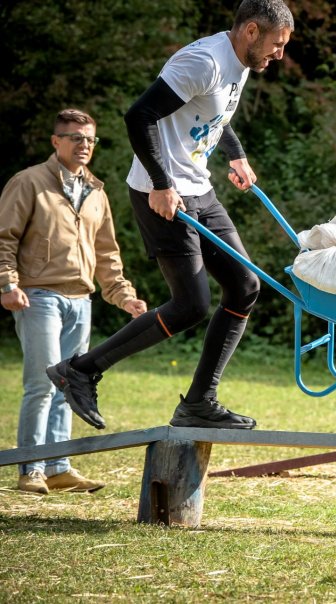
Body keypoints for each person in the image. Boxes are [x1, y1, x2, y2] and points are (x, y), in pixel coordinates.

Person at [45, 0, 294, 432]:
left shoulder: (240, 63)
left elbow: (215, 114)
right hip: (159, 192)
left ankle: (200, 402)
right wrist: (161, 183)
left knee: (245, 285)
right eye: (277, 44)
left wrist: (236, 155)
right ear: (251, 31)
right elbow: (138, 115)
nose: (279, 54)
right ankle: (81, 369)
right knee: (191, 304)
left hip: (199, 188)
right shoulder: (203, 61)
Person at [0, 109, 148, 494]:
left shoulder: (96, 190)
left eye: (90, 139)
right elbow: (5, 238)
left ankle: (59, 468)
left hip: (81, 299)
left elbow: (107, 253)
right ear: (56, 141)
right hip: (39, 296)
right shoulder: (28, 182)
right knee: (41, 384)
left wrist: (125, 297)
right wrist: (6, 284)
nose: (84, 146)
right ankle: (28, 469)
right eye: (75, 138)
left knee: (70, 385)